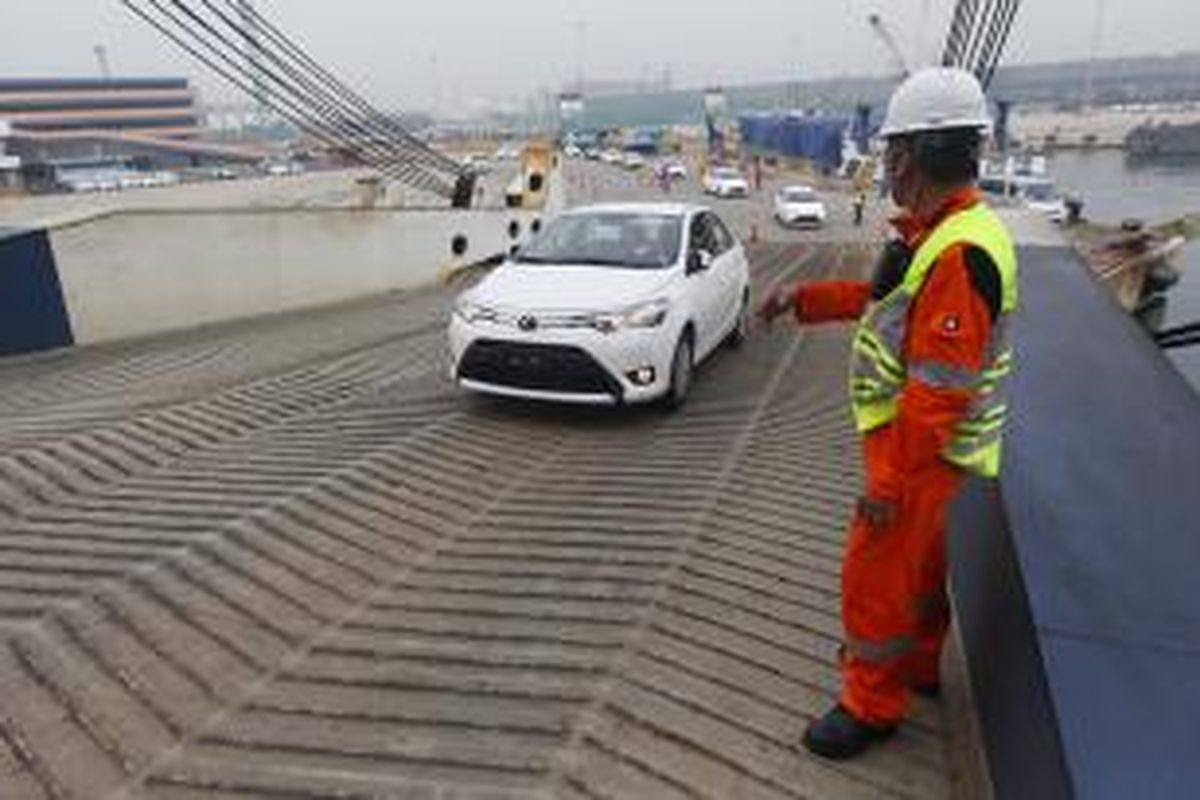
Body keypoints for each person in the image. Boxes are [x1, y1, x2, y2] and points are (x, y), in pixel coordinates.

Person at [758, 67, 1019, 760]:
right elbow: (887, 312)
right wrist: (806, 299)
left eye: (893, 151)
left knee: (876, 577)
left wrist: (887, 482)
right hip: (937, 456)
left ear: (918, 155)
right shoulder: (941, 235)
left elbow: (938, 389)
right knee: (926, 575)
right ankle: (918, 667)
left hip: (917, 454)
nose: (886, 165)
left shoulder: (959, 252)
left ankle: (871, 704)